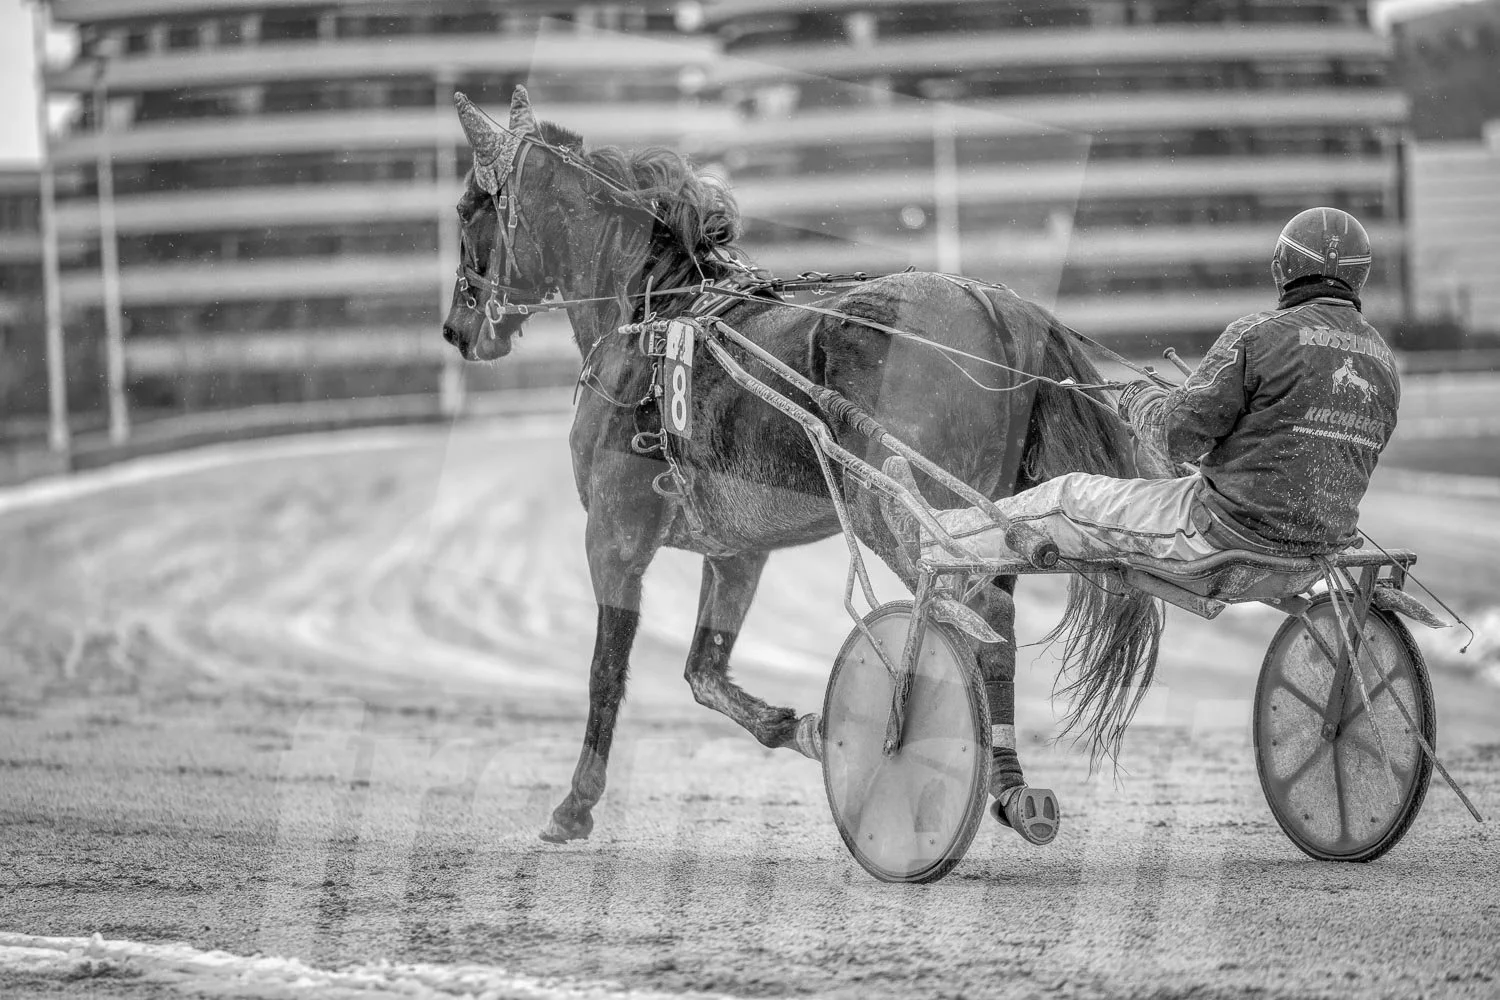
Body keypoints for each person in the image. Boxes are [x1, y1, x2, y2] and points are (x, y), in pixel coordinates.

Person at [912, 207, 1400, 844]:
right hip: (1316, 547)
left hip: (1218, 533)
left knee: (1061, 497)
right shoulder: (1384, 364)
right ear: (1358, 277)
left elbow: (1180, 434)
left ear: (1283, 268)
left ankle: (933, 536)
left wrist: (1140, 401)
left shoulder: (1259, 336)